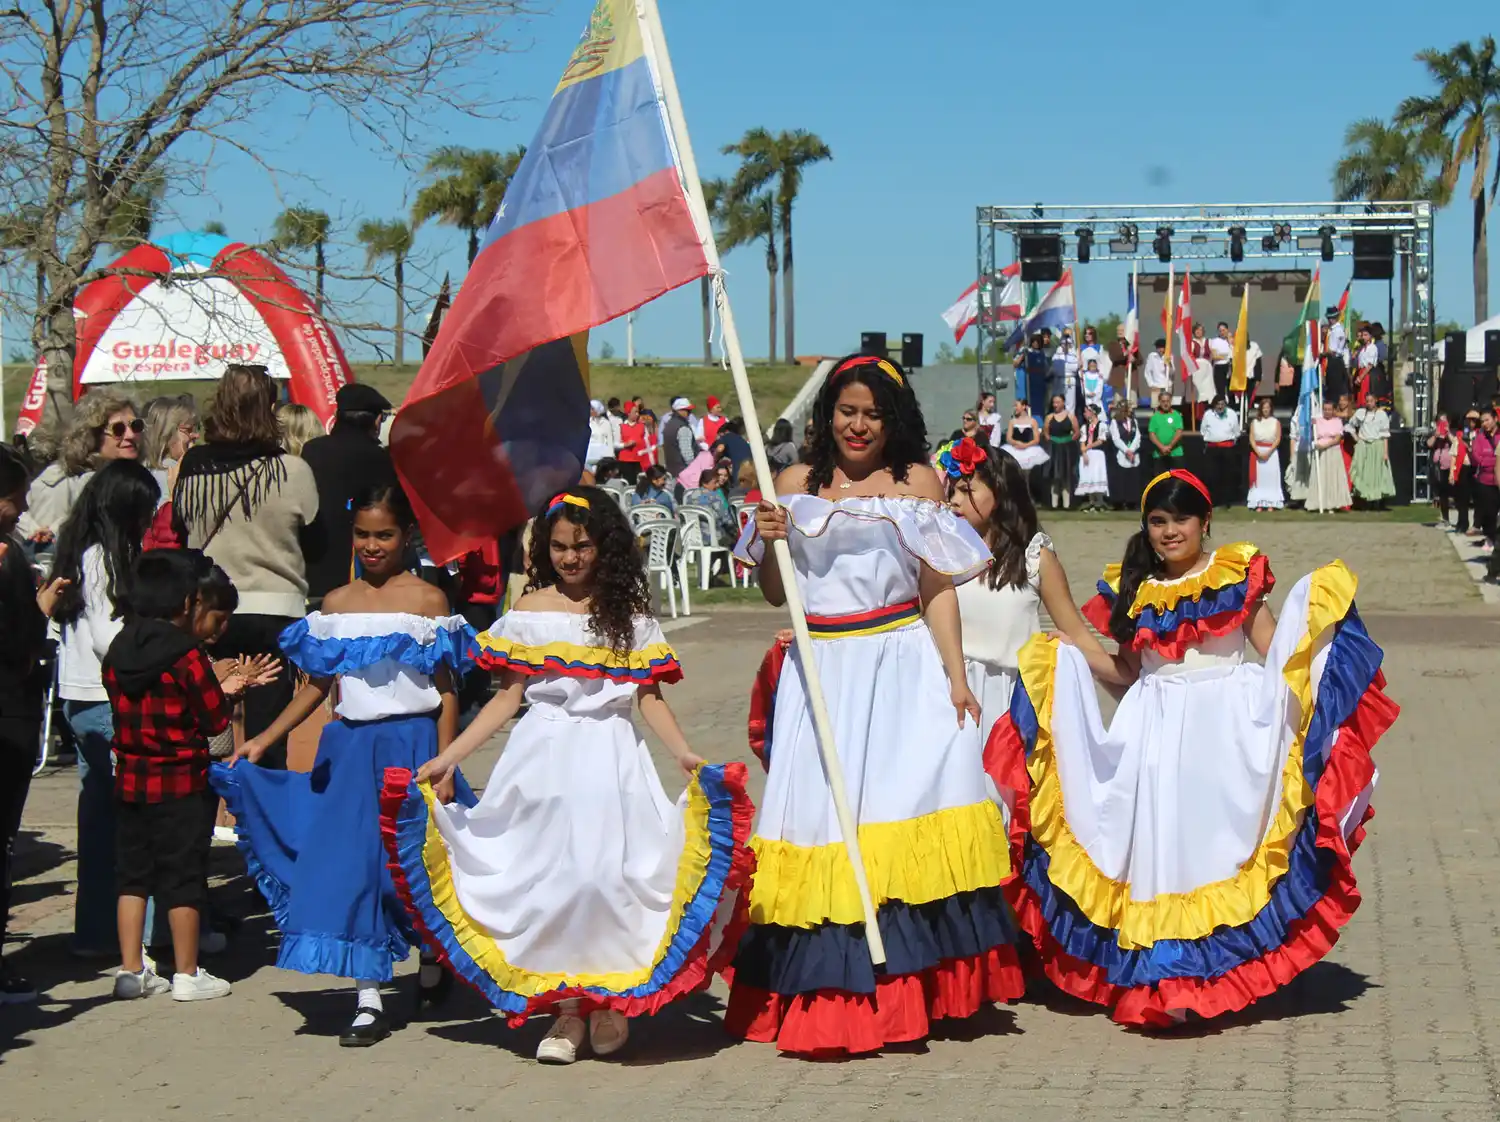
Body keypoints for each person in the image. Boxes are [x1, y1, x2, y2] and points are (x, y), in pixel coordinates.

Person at [991, 470, 1395, 1027]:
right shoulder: (1135, 591)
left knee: (1215, 849)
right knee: (1165, 852)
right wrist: (1075, 651)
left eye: (1180, 519)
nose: (1168, 531)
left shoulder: (1233, 576)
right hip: (1155, 730)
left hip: (1225, 728)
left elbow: (1278, 656)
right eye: (1157, 521)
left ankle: (1217, 974)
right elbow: (1127, 674)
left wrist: (1313, 676)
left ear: (1205, 521)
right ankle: (1170, 978)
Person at [387, 488, 752, 1064]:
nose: (570, 558)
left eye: (581, 546)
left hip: (611, 759)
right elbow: (508, 699)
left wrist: (682, 752)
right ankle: (566, 1012)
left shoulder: (629, 617)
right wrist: (450, 755)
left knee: (606, 878)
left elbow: (648, 696)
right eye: (558, 547)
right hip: (542, 761)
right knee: (550, 882)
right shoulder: (530, 612)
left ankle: (608, 1000)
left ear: (604, 547)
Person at [727, 353, 1021, 1055]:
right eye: (846, 411)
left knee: (902, 814)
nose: (858, 426)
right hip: (820, 672)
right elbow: (775, 592)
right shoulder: (792, 486)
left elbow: (937, 588)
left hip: (898, 665)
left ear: (894, 420)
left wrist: (955, 676)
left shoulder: (918, 483)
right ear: (827, 414)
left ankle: (912, 983)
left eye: (873, 414)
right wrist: (770, 543)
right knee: (822, 822)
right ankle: (827, 984)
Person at [212, 483, 478, 1046]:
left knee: (417, 861)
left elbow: (447, 687)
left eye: (385, 535)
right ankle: (368, 997)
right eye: (363, 535)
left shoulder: (428, 602)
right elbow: (317, 684)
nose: (373, 545)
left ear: (407, 537)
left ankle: (432, 957)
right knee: (355, 867)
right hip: (352, 749)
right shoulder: (334, 604)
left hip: (414, 746)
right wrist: (263, 738)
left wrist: (448, 760)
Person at [103, 549, 276, 1002]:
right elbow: (213, 718)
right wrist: (229, 690)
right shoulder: (187, 657)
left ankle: (130, 969)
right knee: (182, 877)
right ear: (186, 604)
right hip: (179, 781)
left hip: (130, 779)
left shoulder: (119, 649)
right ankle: (186, 972)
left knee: (132, 877)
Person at [174, 365, 320, 767]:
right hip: (275, 608)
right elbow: (317, 540)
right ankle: (263, 815)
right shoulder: (291, 470)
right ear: (271, 409)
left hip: (209, 605)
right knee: (268, 734)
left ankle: (208, 811)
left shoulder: (195, 465)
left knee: (204, 724)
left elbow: (178, 527)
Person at [49, 461, 164, 956]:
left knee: (98, 821)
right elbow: (106, 638)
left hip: (80, 697)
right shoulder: (104, 560)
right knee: (136, 825)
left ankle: (96, 932)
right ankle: (142, 936)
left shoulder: (78, 552)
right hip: (105, 699)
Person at [938, 437, 1114, 740]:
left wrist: (1124, 677)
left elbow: (1077, 633)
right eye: (952, 490)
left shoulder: (1034, 558)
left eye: (967, 491)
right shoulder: (939, 553)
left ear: (1001, 495)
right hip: (948, 696)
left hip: (1012, 703)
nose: (954, 500)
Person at [0, 445, 68, 1002]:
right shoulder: (5, 558)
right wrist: (40, 611)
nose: (22, 506)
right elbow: (17, 644)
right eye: (14, 495)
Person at [299, 383, 396, 605]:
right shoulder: (379, 458)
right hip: (359, 570)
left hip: (313, 566)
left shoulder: (313, 450)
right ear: (374, 420)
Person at [19, 392, 141, 543]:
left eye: (136, 426)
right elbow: (44, 550)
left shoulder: (138, 477)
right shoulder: (60, 482)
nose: (131, 435)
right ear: (93, 436)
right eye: (118, 429)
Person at [141, 395, 199, 494]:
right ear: (166, 435)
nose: (197, 435)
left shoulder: (143, 471)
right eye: (188, 430)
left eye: (196, 429)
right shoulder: (173, 474)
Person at [1351, 399, 1398, 511]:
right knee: (1365, 474)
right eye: (1367, 401)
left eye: (1371, 401)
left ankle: (1377, 502)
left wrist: (1385, 452)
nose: (1369, 403)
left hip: (1377, 446)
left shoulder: (1381, 415)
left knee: (1378, 474)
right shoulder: (1361, 413)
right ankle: (1366, 501)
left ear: (1375, 402)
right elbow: (1350, 426)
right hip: (1364, 446)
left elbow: (1385, 435)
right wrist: (1357, 439)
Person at [1309, 399, 1354, 513]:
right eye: (1325, 409)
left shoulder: (1337, 421)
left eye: (1329, 409)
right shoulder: (1318, 421)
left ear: (1334, 410)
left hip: (1333, 451)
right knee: (1322, 477)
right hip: (1320, 452)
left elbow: (1338, 438)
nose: (1327, 412)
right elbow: (1314, 435)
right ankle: (1321, 502)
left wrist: (1326, 445)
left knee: (1333, 477)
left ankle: (1333, 503)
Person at [1465, 407, 1500, 546]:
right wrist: (1492, 461)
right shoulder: (1480, 438)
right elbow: (1476, 457)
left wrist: (1492, 460)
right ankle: (1490, 538)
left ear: (1495, 419)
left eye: (1487, 420)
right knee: (1489, 513)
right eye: (1482, 421)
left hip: (1499, 478)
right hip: (1485, 481)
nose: (1485, 423)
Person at [1199, 395, 1242, 508]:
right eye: (1218, 404)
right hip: (1212, 449)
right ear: (1214, 405)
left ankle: (1226, 502)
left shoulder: (1232, 414)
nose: (1220, 406)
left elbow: (1236, 432)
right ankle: (1213, 501)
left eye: (1222, 404)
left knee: (1227, 475)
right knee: (1212, 476)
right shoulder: (1208, 414)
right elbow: (1203, 431)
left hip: (1227, 448)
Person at [1246, 398, 1286, 512]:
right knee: (1260, 479)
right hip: (1258, 452)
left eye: (1268, 407)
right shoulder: (1255, 422)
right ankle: (1259, 502)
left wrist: (1268, 452)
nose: (1266, 410)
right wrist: (1258, 452)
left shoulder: (1276, 422)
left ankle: (1271, 503)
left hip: (1271, 453)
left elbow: (1277, 439)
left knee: (1271, 478)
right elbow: (1252, 439)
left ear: (1271, 409)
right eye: (1264, 407)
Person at [993, 399, 1050, 473]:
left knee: (1029, 471)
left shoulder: (1032, 421)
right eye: (1014, 406)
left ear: (1023, 406)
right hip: (1014, 449)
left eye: (1016, 405)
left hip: (1029, 449)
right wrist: (1017, 443)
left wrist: (1025, 445)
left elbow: (1036, 439)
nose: (1015, 408)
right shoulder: (1012, 421)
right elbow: (1008, 438)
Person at [1106, 398, 1143, 510]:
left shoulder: (1134, 421)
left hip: (1133, 454)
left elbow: (1138, 437)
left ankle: (1132, 501)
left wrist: (1132, 450)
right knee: (1120, 478)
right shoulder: (1114, 422)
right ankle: (1119, 502)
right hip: (1121, 454)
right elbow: (1116, 438)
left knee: (1132, 478)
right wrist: (1126, 450)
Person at [1044, 394, 1080, 510]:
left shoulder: (1070, 416)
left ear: (1063, 403)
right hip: (1054, 449)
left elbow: (1076, 432)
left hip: (1066, 450)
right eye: (1054, 402)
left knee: (1066, 476)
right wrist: (1051, 441)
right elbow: (1046, 432)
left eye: (1058, 402)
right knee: (1055, 475)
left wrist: (1068, 441)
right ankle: (1054, 504)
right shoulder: (1049, 417)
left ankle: (1066, 504)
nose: (1055, 405)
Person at [1076, 403, 1110, 511]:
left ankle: (1099, 502)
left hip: (1097, 453)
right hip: (1087, 454)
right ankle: (1091, 502)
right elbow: (1082, 441)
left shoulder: (1102, 425)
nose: (1084, 413)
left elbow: (1101, 440)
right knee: (1088, 476)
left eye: (1086, 411)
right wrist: (1084, 452)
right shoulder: (1084, 427)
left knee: (1097, 475)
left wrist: (1088, 446)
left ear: (1093, 413)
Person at [1428, 414, 1458, 527]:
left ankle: (1460, 520)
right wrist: (1436, 435)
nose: (1442, 425)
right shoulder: (1434, 434)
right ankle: (1445, 519)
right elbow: (1429, 444)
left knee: (1454, 493)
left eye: (1445, 422)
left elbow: (1456, 443)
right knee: (1442, 494)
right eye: (1440, 422)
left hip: (1450, 466)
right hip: (1438, 466)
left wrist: (1447, 432)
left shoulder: (1452, 433)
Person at [1147, 391, 1184, 476]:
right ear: (1159, 402)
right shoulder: (1155, 417)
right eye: (1163, 401)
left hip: (1175, 453)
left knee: (1178, 480)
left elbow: (1179, 432)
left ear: (1170, 401)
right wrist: (1162, 447)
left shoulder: (1176, 415)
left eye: (1167, 401)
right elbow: (1152, 434)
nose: (1166, 403)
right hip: (1159, 454)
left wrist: (1170, 446)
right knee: (1160, 481)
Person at [661, 397, 697, 478]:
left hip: (671, 471)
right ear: (679, 410)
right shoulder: (683, 428)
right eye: (687, 410)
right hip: (684, 472)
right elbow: (687, 455)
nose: (690, 413)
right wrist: (696, 467)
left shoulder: (669, 424)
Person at [711, 417, 753, 483]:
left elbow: (720, 449)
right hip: (751, 472)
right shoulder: (742, 440)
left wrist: (715, 458)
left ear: (725, 432)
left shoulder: (726, 437)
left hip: (739, 474)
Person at [1324, 308, 1351, 403]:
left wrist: (1322, 354)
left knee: (1335, 389)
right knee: (1332, 387)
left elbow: (1333, 351)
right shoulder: (1332, 330)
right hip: (1334, 361)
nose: (1329, 320)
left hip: (1335, 361)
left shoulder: (1337, 331)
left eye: (1330, 318)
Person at [1023, 333, 1049, 416]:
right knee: (1031, 400)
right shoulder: (1028, 352)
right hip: (1031, 379)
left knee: (1041, 401)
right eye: (1034, 341)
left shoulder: (1042, 353)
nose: (1036, 343)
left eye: (1038, 342)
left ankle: (1040, 419)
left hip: (1040, 380)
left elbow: (1046, 367)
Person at [585, 400, 614, 472]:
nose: (590, 411)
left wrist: (611, 455)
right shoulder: (588, 422)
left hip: (602, 455)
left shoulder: (606, 423)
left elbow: (610, 440)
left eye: (592, 409)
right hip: (590, 455)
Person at [1208, 322, 1234, 401]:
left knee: (1231, 391)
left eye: (1224, 330)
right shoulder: (1214, 341)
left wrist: (1230, 341)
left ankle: (1233, 408)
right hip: (1219, 367)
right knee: (1220, 390)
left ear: (1227, 330)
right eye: (1220, 330)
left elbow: (1235, 353)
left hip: (1230, 366)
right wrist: (1226, 356)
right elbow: (1215, 356)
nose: (1222, 332)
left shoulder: (1232, 340)